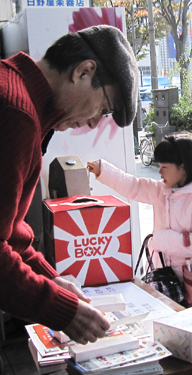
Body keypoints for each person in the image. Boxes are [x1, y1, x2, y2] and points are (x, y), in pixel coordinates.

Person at [0, 25, 139, 346]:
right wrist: (62, 310)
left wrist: (53, 280)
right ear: (83, 71)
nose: (93, 122)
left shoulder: (15, 93)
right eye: (104, 109)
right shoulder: (16, 114)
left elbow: (11, 237)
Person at [87, 132, 192, 306]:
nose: (160, 172)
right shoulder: (162, 190)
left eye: (165, 167)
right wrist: (103, 170)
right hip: (167, 281)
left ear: (184, 167)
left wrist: (162, 239)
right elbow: (133, 186)